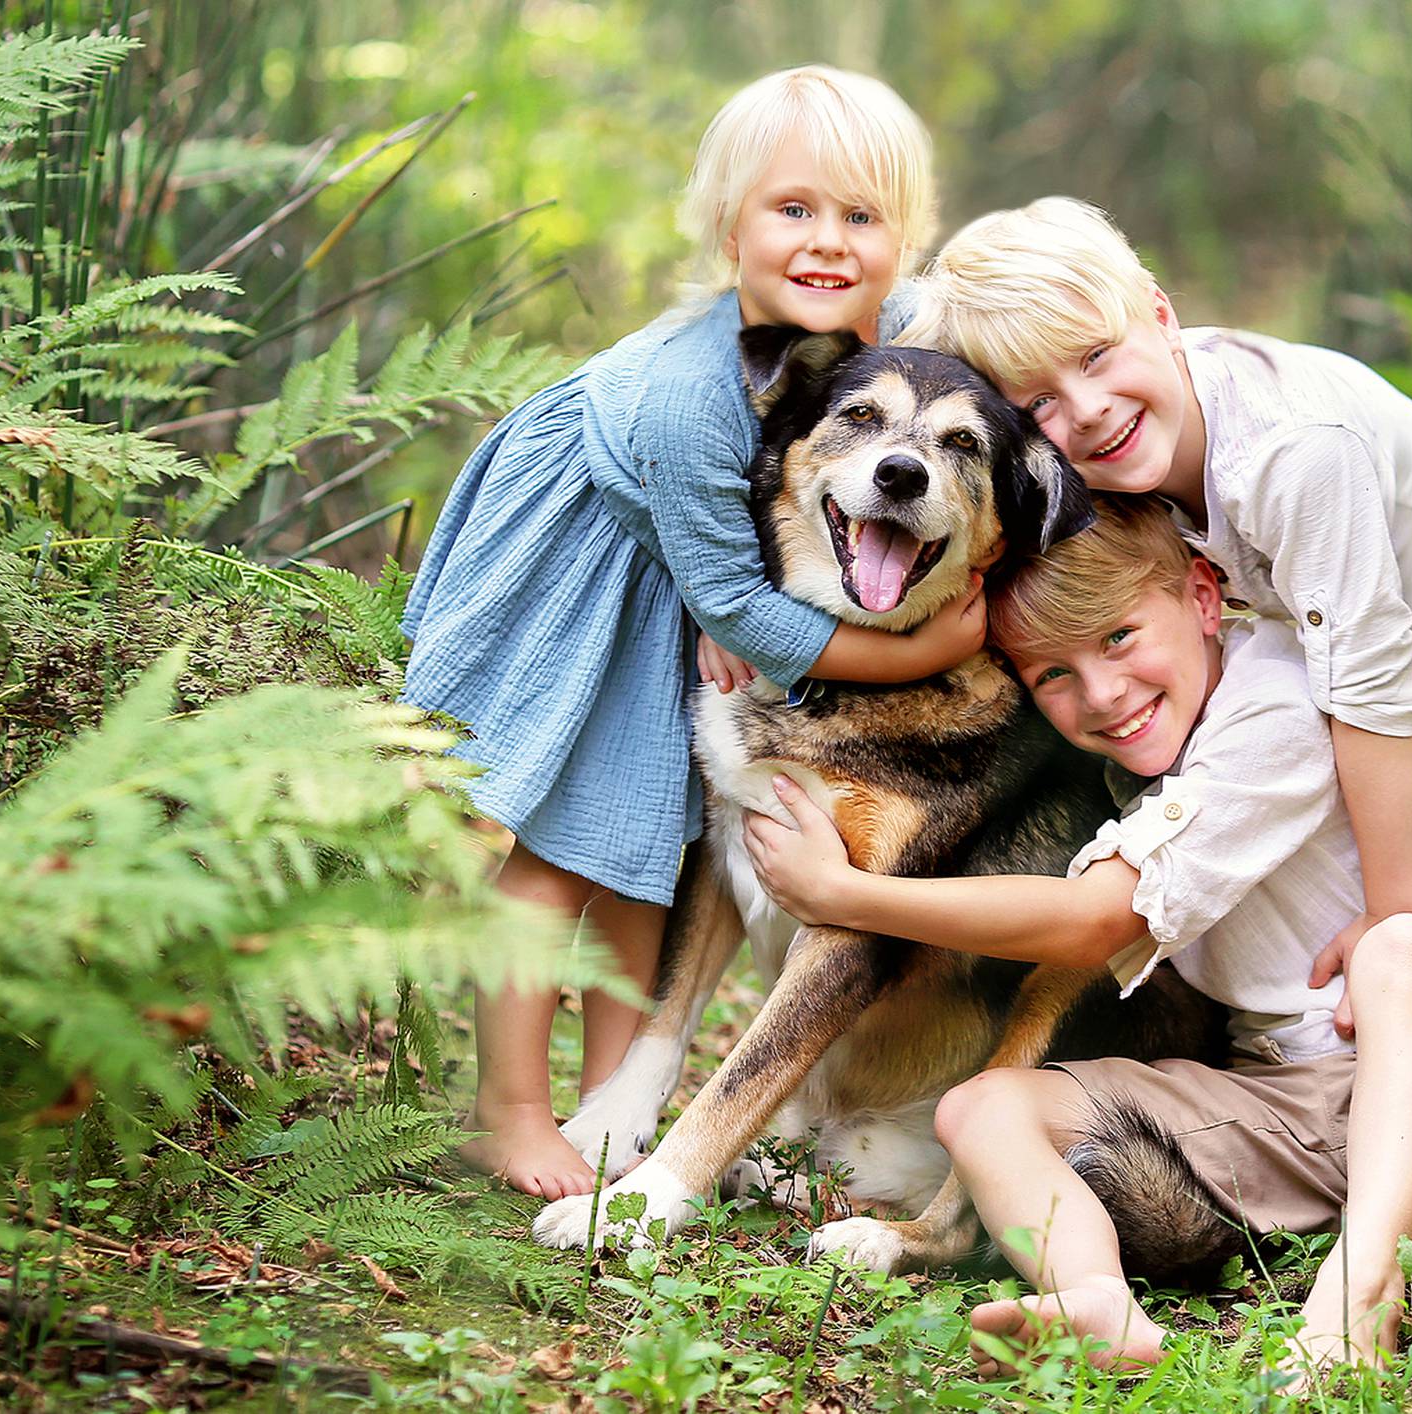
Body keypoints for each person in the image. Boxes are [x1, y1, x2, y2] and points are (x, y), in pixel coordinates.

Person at [899, 196, 1412, 1211]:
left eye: (1097, 356)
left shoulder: (1290, 450)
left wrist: (1392, 921)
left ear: (1160, 311)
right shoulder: (1099, 468)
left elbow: (1365, 691)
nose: (1085, 408)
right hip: (1282, 593)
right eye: (1039, 402)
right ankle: (1283, 1065)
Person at [744, 497, 1412, 1374]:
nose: (1102, 693)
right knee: (982, 1108)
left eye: (1120, 637)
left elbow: (1093, 921)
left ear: (1205, 596)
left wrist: (846, 894)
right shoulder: (1131, 757)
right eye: (1052, 674)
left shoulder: (1277, 706)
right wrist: (738, 626)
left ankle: (1360, 1296)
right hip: (1293, 1104)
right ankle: (1095, 1298)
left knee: (1401, 948)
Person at [400, 66, 983, 1199]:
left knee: (655, 843)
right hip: (598, 570)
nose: (828, 242)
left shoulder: (895, 329)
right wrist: (920, 653)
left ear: (904, 239)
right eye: (794, 209)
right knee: (565, 843)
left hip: (708, 564)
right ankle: (506, 1110)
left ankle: (614, 1107)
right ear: (729, 224)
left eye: (862, 217)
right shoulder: (683, 397)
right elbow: (738, 606)